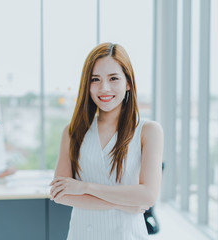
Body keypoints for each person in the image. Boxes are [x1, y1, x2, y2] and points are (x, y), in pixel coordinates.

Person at [50, 43, 163, 240]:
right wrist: (123, 203)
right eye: (95, 79)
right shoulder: (72, 132)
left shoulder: (148, 131)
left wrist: (84, 188)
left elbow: (148, 196)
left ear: (128, 82)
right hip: (82, 234)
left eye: (113, 78)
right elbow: (61, 194)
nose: (104, 88)